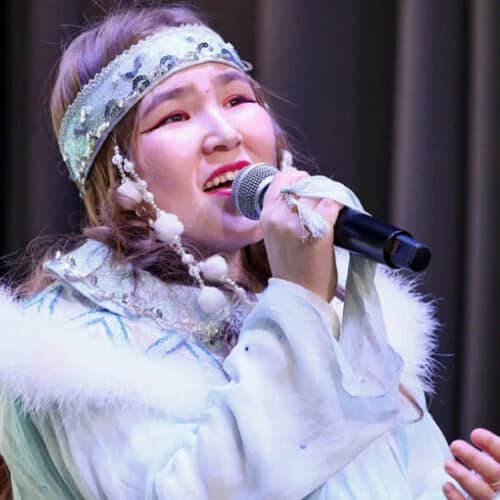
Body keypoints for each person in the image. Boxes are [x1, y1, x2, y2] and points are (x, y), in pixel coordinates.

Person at [0, 4, 498, 499]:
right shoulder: (75, 351)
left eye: (238, 99)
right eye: (174, 116)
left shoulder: (349, 315)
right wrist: (299, 301)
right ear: (117, 172)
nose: (226, 134)